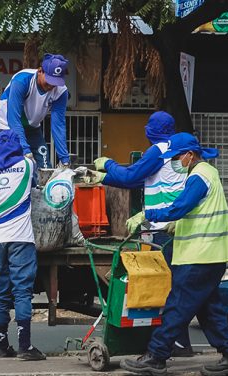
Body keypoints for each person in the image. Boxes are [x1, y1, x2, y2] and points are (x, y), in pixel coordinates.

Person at [122, 133, 228, 376]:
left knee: (177, 305)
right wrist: (177, 225)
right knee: (210, 310)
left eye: (177, 157)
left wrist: (148, 215)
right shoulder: (206, 174)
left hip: (199, 256)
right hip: (211, 256)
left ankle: (156, 356)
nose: (174, 162)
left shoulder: (199, 176)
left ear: (190, 155)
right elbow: (195, 212)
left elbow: (180, 207)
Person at [88, 111, 194, 356]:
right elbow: (142, 180)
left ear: (152, 131)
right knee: (173, 286)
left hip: (162, 230)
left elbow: (132, 175)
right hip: (173, 228)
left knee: (166, 288)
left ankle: (175, 343)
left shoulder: (159, 150)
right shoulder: (175, 151)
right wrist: (105, 178)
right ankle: (178, 341)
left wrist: (108, 164)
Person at [0, 130, 46, 361]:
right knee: (22, 292)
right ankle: (25, 347)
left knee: (0, 294)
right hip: (21, 239)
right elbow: (38, 184)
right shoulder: (27, 166)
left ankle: (2, 347)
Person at [0, 53, 71, 171]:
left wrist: (64, 159)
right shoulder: (22, 80)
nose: (52, 85)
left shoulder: (61, 92)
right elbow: (13, 118)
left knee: (45, 168)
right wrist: (26, 151)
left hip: (32, 128)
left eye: (56, 82)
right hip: (4, 125)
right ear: (40, 71)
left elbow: (58, 126)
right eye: (49, 80)